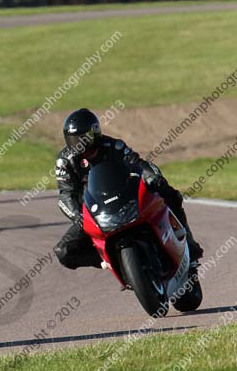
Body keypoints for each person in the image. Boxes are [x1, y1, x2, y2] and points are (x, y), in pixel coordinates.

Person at [53, 108, 203, 270]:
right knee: (63, 251)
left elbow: (137, 163)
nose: (78, 145)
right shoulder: (65, 162)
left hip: (126, 197)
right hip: (96, 212)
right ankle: (106, 260)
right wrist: (79, 217)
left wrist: (151, 176)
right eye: (73, 140)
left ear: (95, 133)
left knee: (170, 194)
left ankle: (189, 244)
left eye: (83, 139)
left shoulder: (113, 146)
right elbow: (65, 196)